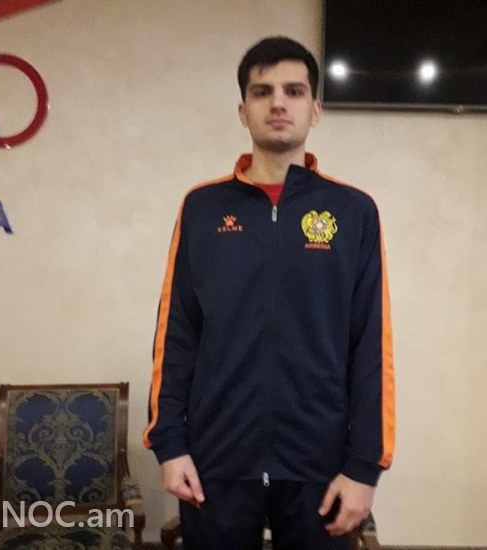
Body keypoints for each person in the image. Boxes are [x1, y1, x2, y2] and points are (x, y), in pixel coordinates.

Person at [143, 36, 394, 550]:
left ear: (315, 109)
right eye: (262, 92)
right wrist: (169, 444)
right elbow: (176, 335)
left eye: (293, 91)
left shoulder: (353, 212)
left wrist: (364, 467)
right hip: (216, 461)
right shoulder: (203, 208)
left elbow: (371, 346)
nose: (278, 103)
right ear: (243, 111)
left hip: (319, 465)